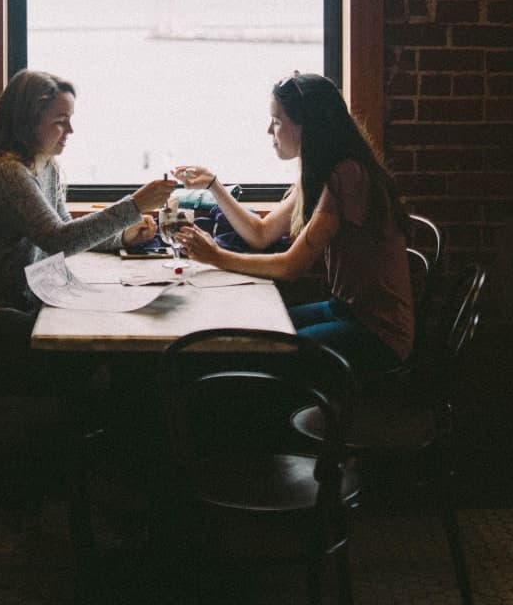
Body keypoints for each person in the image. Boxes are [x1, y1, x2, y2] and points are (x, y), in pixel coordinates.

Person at [0, 68, 177, 393]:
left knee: (111, 330)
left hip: (22, 300)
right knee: (106, 345)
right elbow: (57, 239)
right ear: (28, 121)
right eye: (60, 120)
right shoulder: (7, 173)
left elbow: (65, 228)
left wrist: (124, 236)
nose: (70, 130)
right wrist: (134, 205)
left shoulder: (46, 165)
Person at [172, 72, 413, 378]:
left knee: (262, 352)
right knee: (252, 331)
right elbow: (261, 234)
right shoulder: (322, 169)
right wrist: (214, 186)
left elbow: (291, 267)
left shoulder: (347, 175)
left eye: (276, 120)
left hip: (377, 333)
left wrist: (215, 256)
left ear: (306, 126)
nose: (268, 130)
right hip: (343, 309)